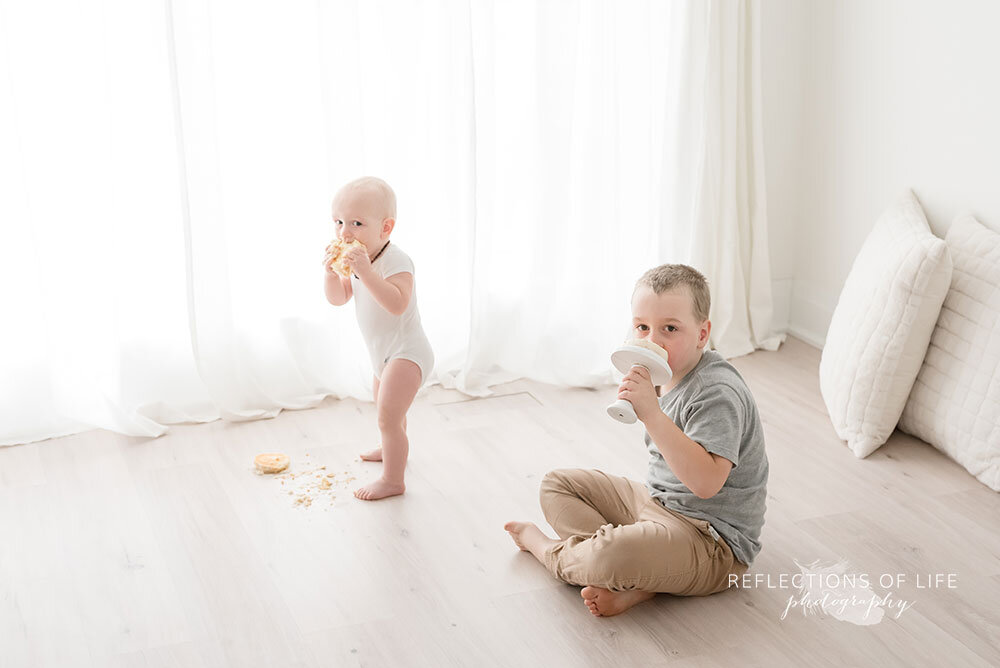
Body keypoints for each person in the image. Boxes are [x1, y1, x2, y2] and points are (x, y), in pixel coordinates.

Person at [504, 264, 768, 616]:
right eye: (642, 327)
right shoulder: (668, 373)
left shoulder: (716, 393)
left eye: (670, 329)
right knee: (557, 485)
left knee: (610, 555)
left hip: (711, 542)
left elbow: (706, 483)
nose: (652, 341)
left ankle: (548, 551)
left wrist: (652, 414)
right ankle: (640, 577)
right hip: (658, 504)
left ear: (702, 335)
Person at [323, 177, 434, 501]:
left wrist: (367, 272)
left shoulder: (396, 261)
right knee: (388, 414)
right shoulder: (357, 260)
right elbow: (338, 298)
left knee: (388, 415)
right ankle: (391, 446)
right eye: (339, 222)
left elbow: (397, 304)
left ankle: (393, 480)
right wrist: (331, 274)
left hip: (407, 353)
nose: (345, 232)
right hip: (381, 355)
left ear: (386, 228)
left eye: (357, 223)